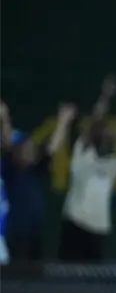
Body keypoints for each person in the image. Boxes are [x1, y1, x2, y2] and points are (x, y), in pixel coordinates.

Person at [59, 75, 116, 262]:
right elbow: (95, 120)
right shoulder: (83, 152)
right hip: (75, 223)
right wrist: (105, 96)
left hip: (99, 228)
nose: (104, 135)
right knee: (66, 277)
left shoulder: (112, 164)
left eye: (106, 133)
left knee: (93, 281)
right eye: (101, 132)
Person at [3, 102, 76, 263]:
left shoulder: (35, 170)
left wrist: (63, 121)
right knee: (18, 277)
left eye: (32, 150)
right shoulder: (11, 170)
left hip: (36, 232)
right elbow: (8, 144)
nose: (29, 152)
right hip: (18, 234)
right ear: (17, 153)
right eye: (25, 149)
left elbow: (52, 147)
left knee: (37, 277)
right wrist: (4, 117)